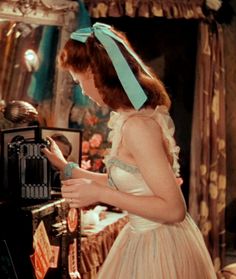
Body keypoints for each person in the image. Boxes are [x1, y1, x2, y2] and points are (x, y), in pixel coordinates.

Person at [43, 22, 217, 279]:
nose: (82, 90)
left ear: (95, 73)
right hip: (145, 236)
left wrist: (100, 193)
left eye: (79, 81)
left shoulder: (138, 126)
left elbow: (173, 209)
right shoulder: (130, 117)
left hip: (158, 246)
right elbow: (134, 184)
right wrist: (66, 167)